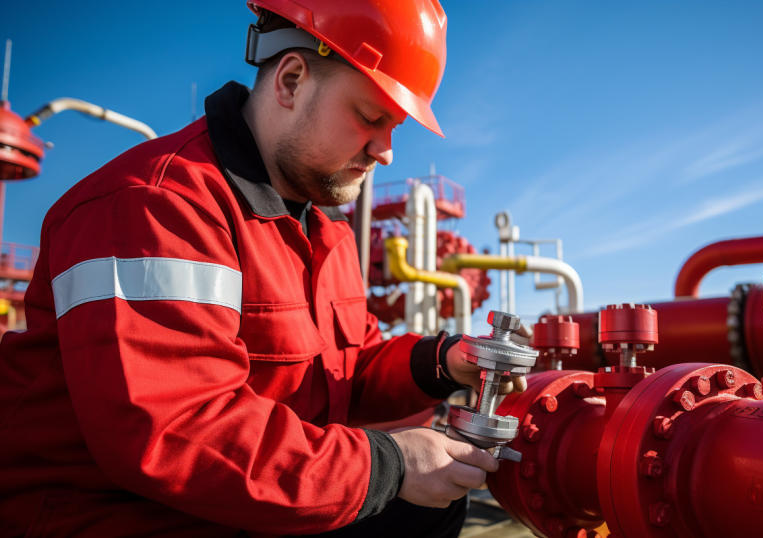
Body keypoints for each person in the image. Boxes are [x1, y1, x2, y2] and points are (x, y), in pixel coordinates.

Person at [0, 1, 524, 536]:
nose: (386, 152)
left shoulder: (326, 236)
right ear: (292, 80)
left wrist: (442, 362)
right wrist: (387, 465)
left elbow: (345, 371)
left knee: (427, 509)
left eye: (395, 127)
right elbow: (174, 431)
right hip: (122, 515)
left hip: (246, 502)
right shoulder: (155, 206)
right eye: (371, 117)